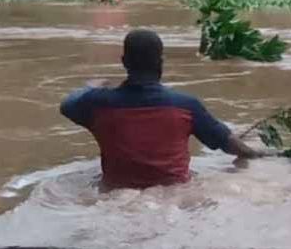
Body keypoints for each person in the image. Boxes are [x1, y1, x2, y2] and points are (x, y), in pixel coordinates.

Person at [60, 29, 262, 189]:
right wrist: (264, 155)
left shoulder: (97, 105)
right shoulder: (186, 106)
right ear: (161, 62)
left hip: (115, 193)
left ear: (124, 62)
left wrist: (92, 86)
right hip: (174, 194)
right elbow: (230, 145)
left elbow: (67, 105)